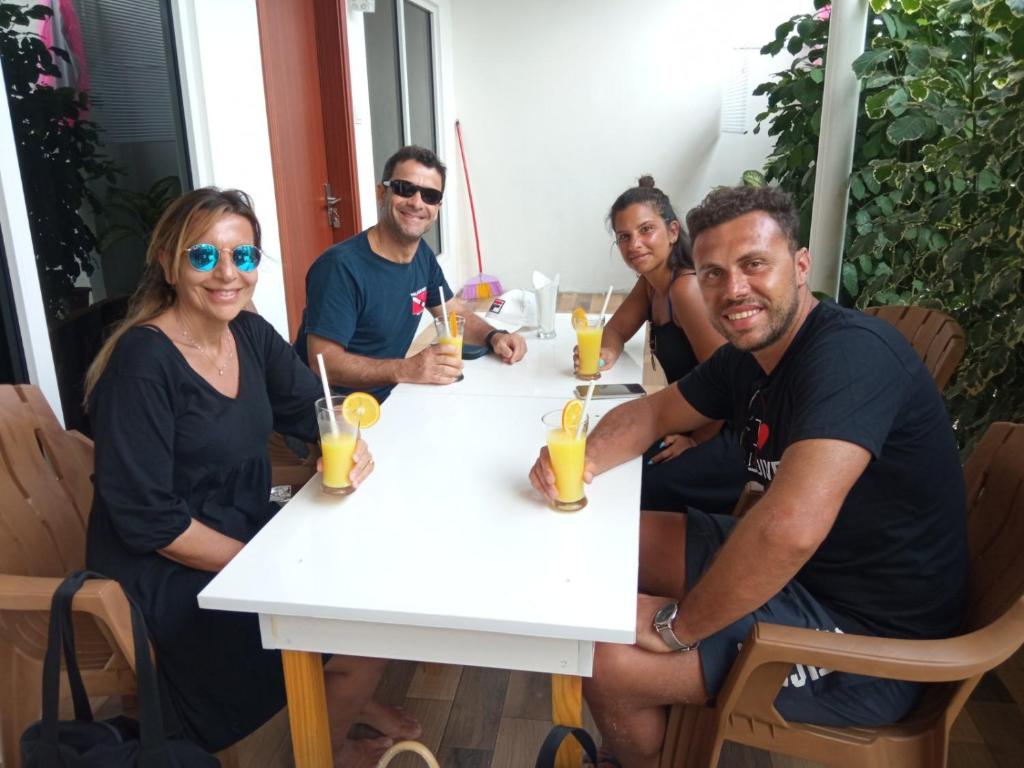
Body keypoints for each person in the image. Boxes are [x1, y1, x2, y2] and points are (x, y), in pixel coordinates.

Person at [530, 186, 968, 768]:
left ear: (801, 264)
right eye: (713, 273)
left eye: (754, 264)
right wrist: (579, 463)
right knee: (615, 538)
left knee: (606, 658)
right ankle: (638, 736)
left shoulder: (849, 358)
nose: (732, 289)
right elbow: (651, 413)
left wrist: (676, 626)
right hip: (802, 575)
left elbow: (789, 530)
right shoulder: (750, 357)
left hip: (866, 635)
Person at [84, 188, 420, 767]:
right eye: (203, 256)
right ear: (168, 262)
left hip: (243, 518)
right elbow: (149, 520)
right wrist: (257, 564)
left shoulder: (248, 333)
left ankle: (342, 707)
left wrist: (343, 438)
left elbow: (308, 406)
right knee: (341, 611)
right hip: (164, 564)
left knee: (373, 584)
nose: (226, 275)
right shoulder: (142, 364)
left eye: (242, 257)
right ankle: (330, 740)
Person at [295, 145, 527, 402]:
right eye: (405, 189)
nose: (417, 202)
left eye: (429, 195)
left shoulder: (421, 256)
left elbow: (454, 313)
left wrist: (494, 337)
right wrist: (408, 369)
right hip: (331, 419)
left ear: (437, 208)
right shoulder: (339, 267)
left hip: (392, 397)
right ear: (382, 193)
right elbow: (323, 363)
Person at [588, 176, 747, 514]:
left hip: (728, 432)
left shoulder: (684, 290)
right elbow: (615, 330)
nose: (635, 245)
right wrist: (605, 354)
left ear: (673, 231)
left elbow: (726, 381)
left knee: (635, 484)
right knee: (618, 464)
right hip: (690, 416)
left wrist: (696, 440)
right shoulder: (651, 285)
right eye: (624, 237)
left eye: (647, 230)